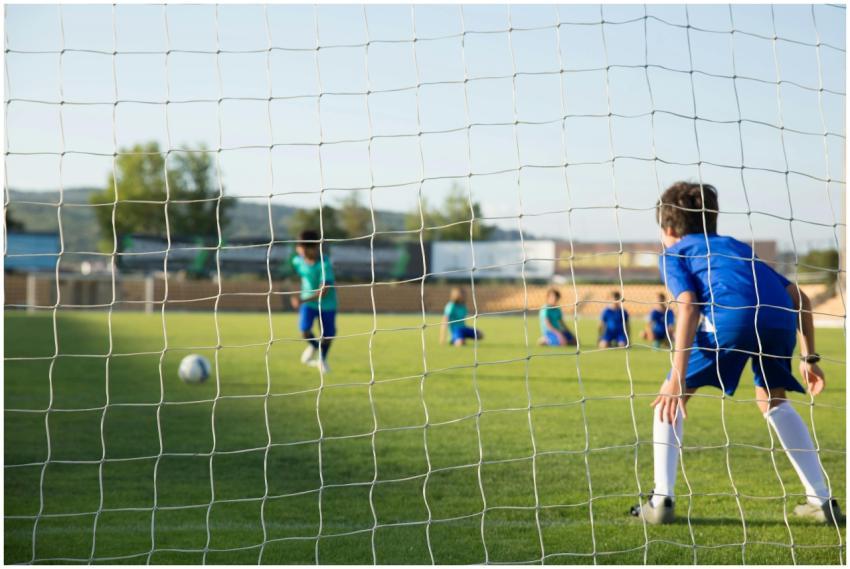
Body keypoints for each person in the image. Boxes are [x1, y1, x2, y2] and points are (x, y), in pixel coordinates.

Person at [630, 181, 844, 526]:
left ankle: (661, 500)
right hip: (777, 319)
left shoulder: (675, 252)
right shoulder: (736, 247)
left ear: (668, 229)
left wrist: (677, 377)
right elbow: (800, 298)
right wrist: (810, 359)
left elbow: (687, 305)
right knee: (774, 401)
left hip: (734, 319)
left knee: (670, 396)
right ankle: (822, 500)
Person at [290, 229, 336, 374]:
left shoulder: (324, 263)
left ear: (314, 248)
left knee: (328, 335)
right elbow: (301, 276)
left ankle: (322, 359)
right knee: (304, 330)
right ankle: (315, 346)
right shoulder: (297, 260)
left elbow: (324, 290)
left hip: (327, 303)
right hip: (309, 303)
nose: (300, 250)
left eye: (303, 248)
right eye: (299, 247)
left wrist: (302, 299)